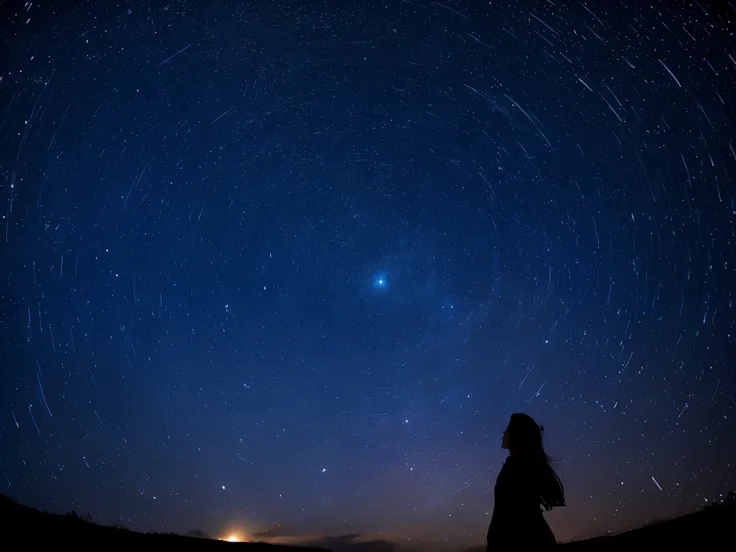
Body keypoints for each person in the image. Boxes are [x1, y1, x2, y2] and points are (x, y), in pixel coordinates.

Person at [485, 413, 565, 550]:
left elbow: (509, 515)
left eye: (508, 429)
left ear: (517, 435)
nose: (504, 432)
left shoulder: (516, 469)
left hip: (524, 541)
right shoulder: (521, 466)